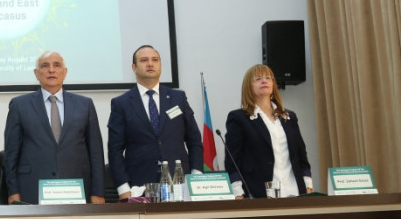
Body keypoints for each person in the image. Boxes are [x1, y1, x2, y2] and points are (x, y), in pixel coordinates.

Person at [3, 51, 105, 205]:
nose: (51, 70)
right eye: (45, 66)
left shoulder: (85, 105)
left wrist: (98, 192)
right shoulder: (19, 105)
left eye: (57, 65)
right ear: (36, 73)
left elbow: (96, 153)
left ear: (64, 72)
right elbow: (11, 154)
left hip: (76, 190)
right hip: (31, 190)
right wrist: (13, 192)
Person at [107, 45, 203, 199]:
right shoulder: (121, 103)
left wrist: (196, 177)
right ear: (134, 68)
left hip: (180, 183)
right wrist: (123, 188)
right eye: (144, 60)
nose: (150, 64)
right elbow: (115, 150)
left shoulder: (178, 98)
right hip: (139, 185)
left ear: (160, 65)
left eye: (155, 60)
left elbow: (194, 140)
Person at [224, 64, 313, 198]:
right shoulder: (239, 118)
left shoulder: (289, 116)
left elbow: (301, 155)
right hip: (259, 192)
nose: (264, 81)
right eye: (258, 79)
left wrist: (308, 183)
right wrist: (237, 191)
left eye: (268, 78)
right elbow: (233, 160)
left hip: (294, 190)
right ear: (248, 86)